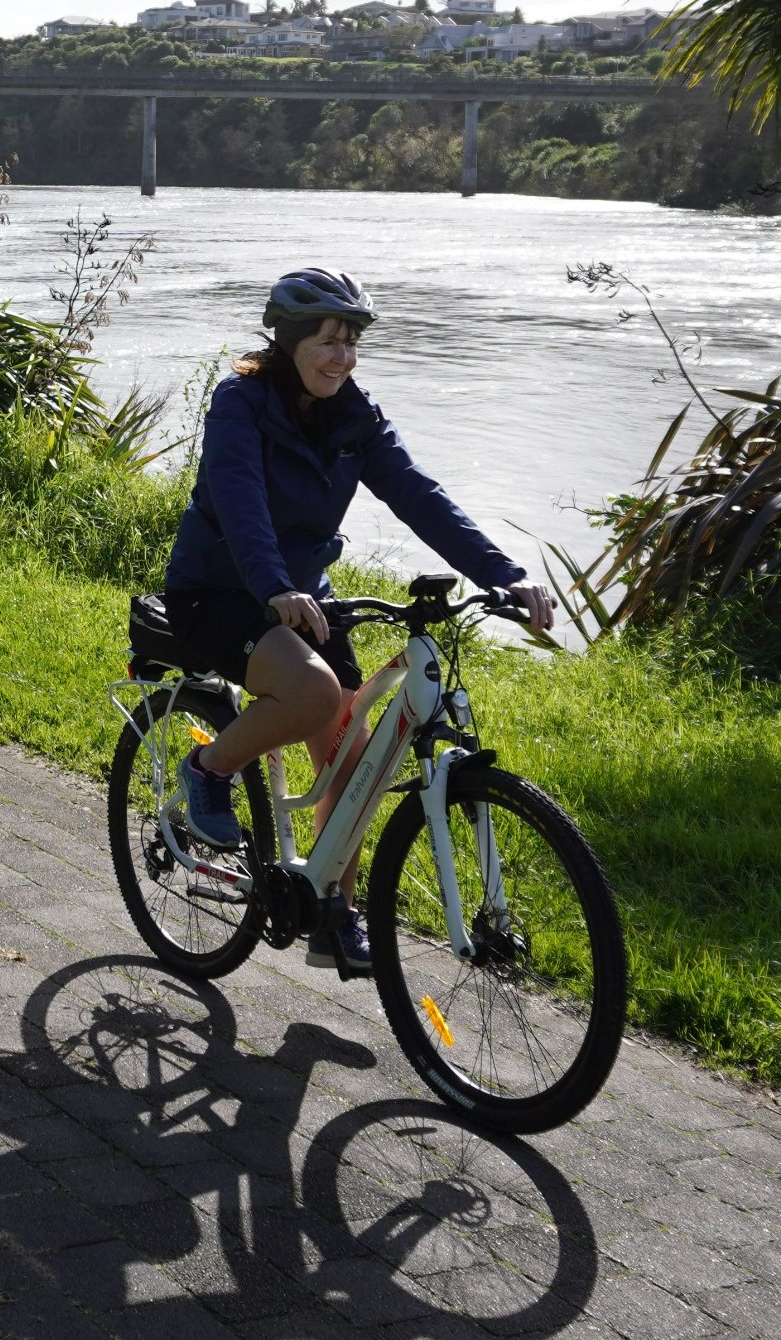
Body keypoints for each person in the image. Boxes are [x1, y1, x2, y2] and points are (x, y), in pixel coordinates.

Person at [160, 267, 553, 977]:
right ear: (289, 342)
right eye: (327, 342)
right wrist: (275, 583)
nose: (341, 358)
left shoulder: (354, 415)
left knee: (351, 754)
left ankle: (332, 910)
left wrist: (504, 573)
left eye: (351, 344)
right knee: (312, 693)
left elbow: (416, 493)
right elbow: (241, 500)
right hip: (218, 592)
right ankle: (207, 767)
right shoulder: (239, 403)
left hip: (301, 596)